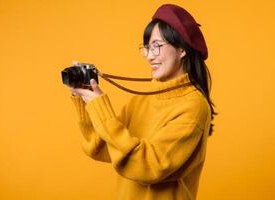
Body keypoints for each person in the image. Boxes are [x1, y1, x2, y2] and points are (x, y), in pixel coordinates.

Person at [66, 4, 216, 200]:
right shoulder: (141, 99)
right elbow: (99, 146)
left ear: (182, 50)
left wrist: (100, 106)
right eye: (146, 48)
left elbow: (147, 167)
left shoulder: (193, 106)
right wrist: (85, 98)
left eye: (157, 46)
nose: (150, 56)